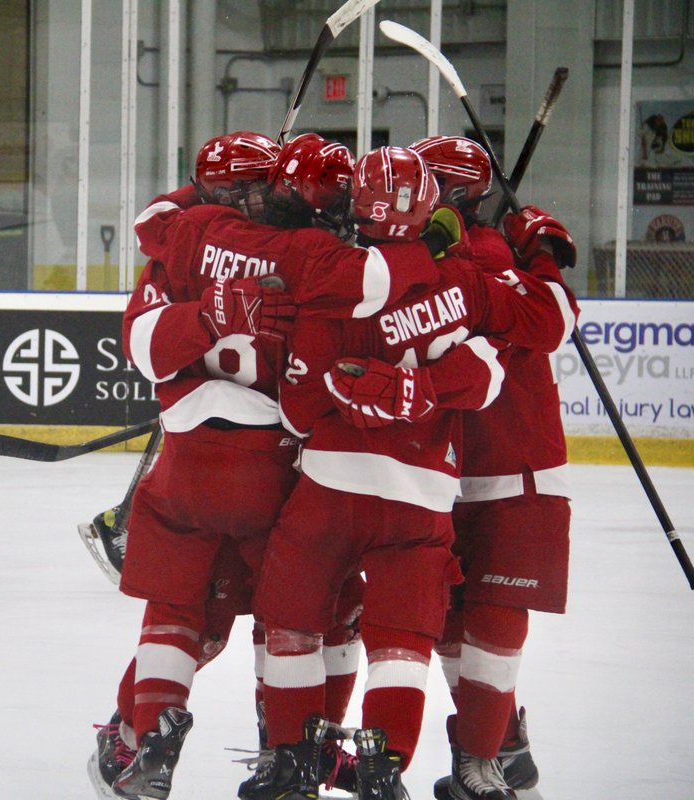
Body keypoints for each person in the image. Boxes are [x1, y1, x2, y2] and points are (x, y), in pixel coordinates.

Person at [92, 131, 452, 800]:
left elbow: (143, 337)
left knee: (179, 612)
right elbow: (370, 293)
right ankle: (294, 748)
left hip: (187, 461)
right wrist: (431, 239)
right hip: (274, 471)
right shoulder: (314, 256)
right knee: (303, 616)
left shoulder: (190, 230)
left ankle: (144, 734)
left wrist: (204, 312)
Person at [240, 146, 577, 800]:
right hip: (428, 491)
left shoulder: (336, 277)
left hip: (352, 484)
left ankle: (293, 756)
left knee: (298, 620)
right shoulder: (465, 277)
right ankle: (392, 760)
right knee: (409, 638)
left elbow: (301, 408)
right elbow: (495, 364)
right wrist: (538, 254)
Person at [410, 135, 579, 800]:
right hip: (453, 472)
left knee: (482, 617)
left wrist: (530, 257)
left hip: (512, 467)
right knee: (453, 622)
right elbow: (556, 313)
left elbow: (554, 321)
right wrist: (540, 251)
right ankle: (502, 751)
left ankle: (484, 760)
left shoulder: (479, 256)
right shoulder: (459, 254)